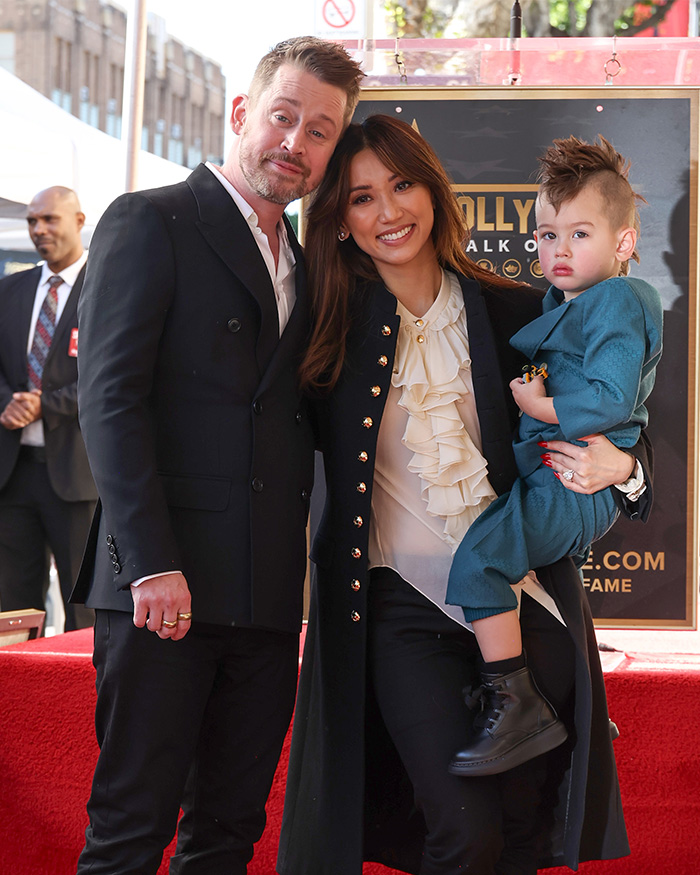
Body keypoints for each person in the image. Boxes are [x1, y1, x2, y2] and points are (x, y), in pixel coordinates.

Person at [278, 115, 653, 875]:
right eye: (361, 198)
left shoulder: (518, 310)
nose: (388, 211)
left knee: (521, 829)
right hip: (401, 610)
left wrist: (625, 469)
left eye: (403, 184)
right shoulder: (322, 330)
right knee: (462, 829)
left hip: (529, 600)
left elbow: (623, 418)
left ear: (435, 190)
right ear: (339, 222)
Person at [71, 37, 364, 874]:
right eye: (283, 117)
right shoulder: (150, 219)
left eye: (319, 132)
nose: (295, 144)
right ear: (242, 113)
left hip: (266, 599)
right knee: (130, 828)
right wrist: (150, 564)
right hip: (162, 587)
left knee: (228, 833)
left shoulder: (313, 265)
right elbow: (110, 400)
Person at [445, 134, 663, 776]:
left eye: (579, 234)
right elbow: (555, 359)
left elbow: (608, 398)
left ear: (623, 242)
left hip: (574, 481)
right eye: (545, 235)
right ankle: (572, 701)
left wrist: (540, 407)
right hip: (552, 478)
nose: (557, 250)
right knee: (519, 581)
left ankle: (517, 709)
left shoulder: (621, 298)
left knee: (479, 565)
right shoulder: (563, 300)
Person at [0, 186, 96, 632]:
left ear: (78, 221)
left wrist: (47, 405)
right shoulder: (10, 289)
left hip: (77, 479)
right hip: (12, 473)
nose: (39, 230)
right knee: (12, 608)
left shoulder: (108, 289)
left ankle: (80, 701)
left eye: (50, 220)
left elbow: (115, 377)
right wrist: (7, 403)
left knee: (83, 610)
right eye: (32, 221)